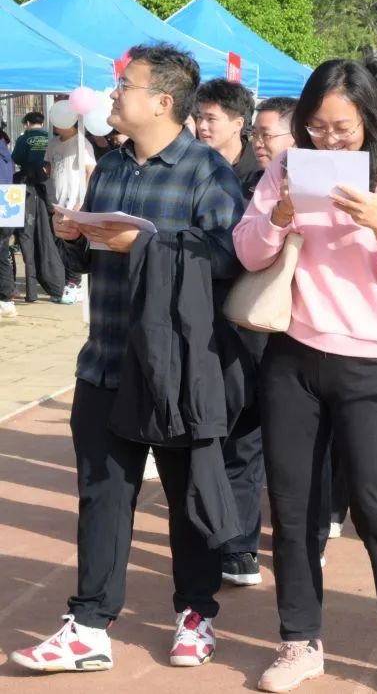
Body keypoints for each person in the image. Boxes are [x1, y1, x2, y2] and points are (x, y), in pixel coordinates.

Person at [8, 44, 245, 673]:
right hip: (106, 358)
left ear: (163, 101)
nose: (113, 95)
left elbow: (229, 256)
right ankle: (89, 623)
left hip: (175, 367)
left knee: (188, 496)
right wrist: (74, 237)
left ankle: (195, 614)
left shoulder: (205, 171)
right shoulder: (110, 166)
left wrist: (141, 243)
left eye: (125, 86)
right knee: (103, 496)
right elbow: (90, 262)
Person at [235, 58, 377, 694]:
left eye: (342, 129)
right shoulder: (284, 169)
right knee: (293, 508)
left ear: (370, 123)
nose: (327, 140)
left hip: (371, 362)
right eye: (316, 127)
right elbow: (247, 251)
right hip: (293, 355)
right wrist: (279, 214)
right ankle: (299, 641)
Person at [213, 96, 297, 591]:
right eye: (258, 135)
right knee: (243, 438)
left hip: (301, 332)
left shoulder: (314, 185)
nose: (260, 143)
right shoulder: (227, 180)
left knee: (298, 447)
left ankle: (310, 531)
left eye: (269, 134)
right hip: (246, 326)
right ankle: (239, 546)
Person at [12, 111, 65, 303]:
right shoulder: (51, 138)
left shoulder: (23, 138)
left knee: (26, 238)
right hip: (46, 189)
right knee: (47, 238)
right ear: (42, 123)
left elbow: (16, 158)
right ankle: (56, 284)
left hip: (26, 188)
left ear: (27, 123)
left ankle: (31, 291)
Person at [46, 113, 96, 303]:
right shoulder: (53, 143)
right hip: (57, 202)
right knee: (59, 244)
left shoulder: (82, 143)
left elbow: (91, 172)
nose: (55, 125)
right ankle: (66, 283)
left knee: (72, 242)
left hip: (75, 203)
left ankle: (74, 284)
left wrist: (81, 201)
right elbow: (50, 168)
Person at [195, 79, 260, 185]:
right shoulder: (189, 163)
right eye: (200, 117)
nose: (202, 126)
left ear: (238, 124)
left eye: (211, 119)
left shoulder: (260, 168)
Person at [0, 133, 15, 319]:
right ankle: (6, 299)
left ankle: (5, 298)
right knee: (3, 254)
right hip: (9, 205)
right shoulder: (6, 155)